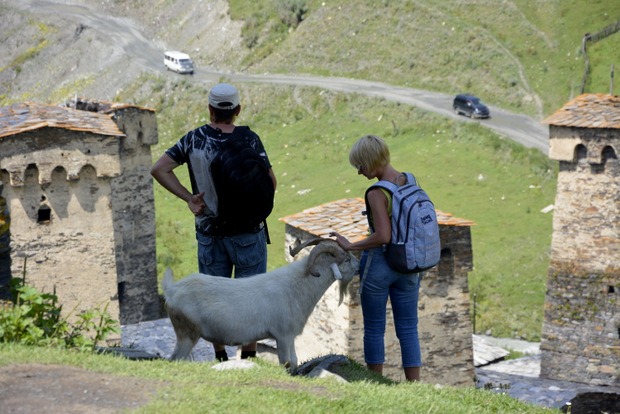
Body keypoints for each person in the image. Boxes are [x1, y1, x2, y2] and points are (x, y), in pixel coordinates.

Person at [150, 83, 277, 362]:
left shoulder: (193, 139)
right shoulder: (250, 139)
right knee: (252, 297)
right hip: (248, 233)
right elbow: (271, 182)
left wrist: (189, 198)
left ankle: (221, 359)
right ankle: (249, 359)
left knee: (212, 298)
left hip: (209, 233)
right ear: (238, 110)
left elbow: (159, 169)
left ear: (210, 110)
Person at [330, 134, 421, 382]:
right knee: (409, 329)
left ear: (370, 161)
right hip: (411, 264)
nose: (359, 172)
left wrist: (351, 245)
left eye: (360, 166)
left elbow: (382, 236)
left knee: (374, 328)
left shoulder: (377, 192)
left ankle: (376, 383)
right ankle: (415, 386)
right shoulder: (410, 180)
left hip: (381, 265)